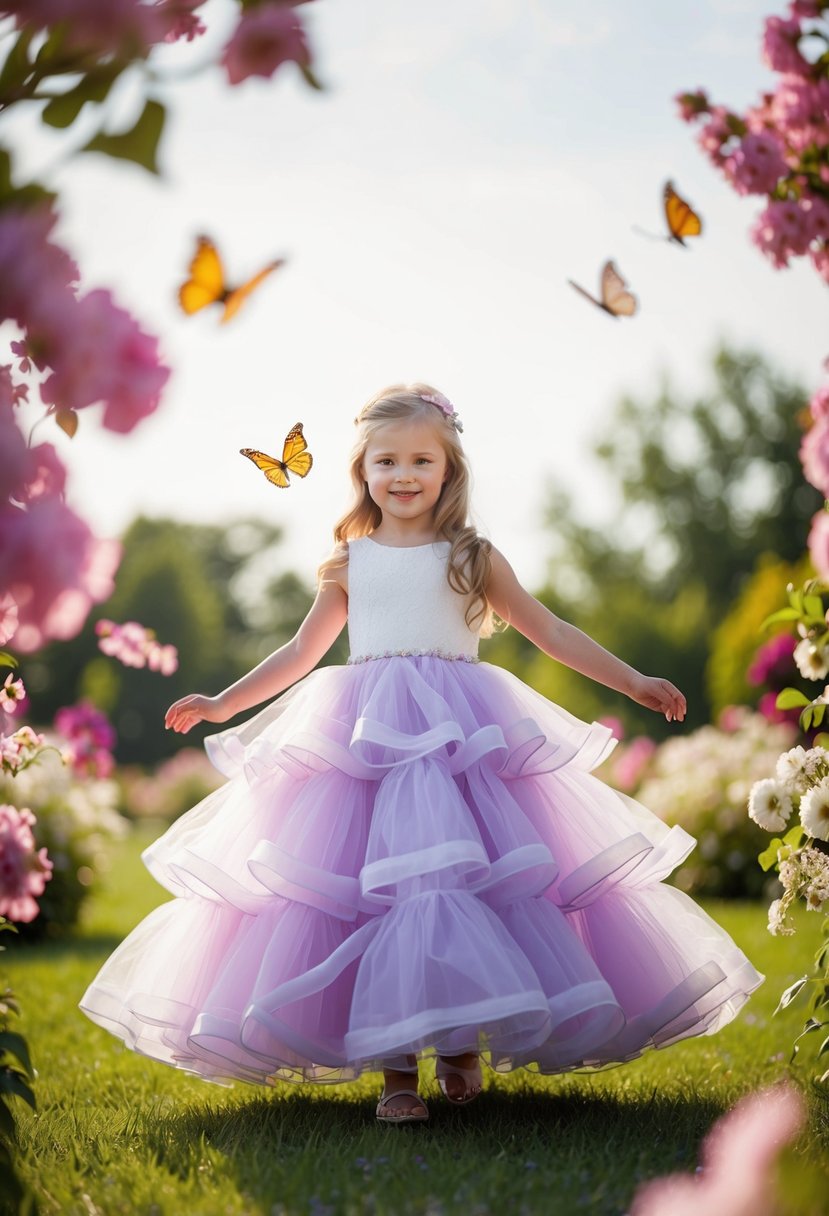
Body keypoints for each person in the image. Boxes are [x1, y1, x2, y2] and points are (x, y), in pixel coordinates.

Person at [80, 383, 763, 1125]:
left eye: (420, 460)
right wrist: (223, 702)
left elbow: (552, 631)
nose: (402, 475)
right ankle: (395, 1071)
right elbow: (301, 652)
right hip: (366, 742)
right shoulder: (350, 561)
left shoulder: (472, 556)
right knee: (379, 901)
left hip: (459, 739)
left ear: (448, 469)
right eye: (386, 462)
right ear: (363, 471)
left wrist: (631, 681)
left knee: (461, 895)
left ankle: (460, 1046)